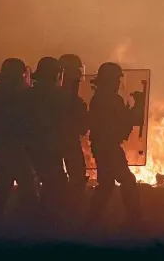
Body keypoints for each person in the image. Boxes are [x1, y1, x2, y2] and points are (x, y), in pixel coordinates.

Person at [86, 62, 141, 229]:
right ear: (109, 80)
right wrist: (137, 106)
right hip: (108, 147)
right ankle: (134, 221)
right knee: (128, 181)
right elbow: (123, 122)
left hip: (102, 146)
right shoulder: (109, 99)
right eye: (116, 79)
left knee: (107, 185)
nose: (118, 83)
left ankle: (91, 221)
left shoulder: (99, 98)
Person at [0, 58, 39, 229]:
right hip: (11, 144)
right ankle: (26, 220)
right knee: (26, 182)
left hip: (4, 143)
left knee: (5, 181)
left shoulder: (1, 91)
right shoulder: (9, 93)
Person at [24, 57, 69, 227]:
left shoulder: (29, 94)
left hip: (34, 147)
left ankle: (41, 220)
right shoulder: (55, 96)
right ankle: (47, 222)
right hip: (47, 147)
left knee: (47, 182)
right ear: (56, 75)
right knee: (55, 183)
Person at [59, 54, 89, 218]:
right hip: (66, 142)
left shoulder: (58, 96)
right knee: (74, 179)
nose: (79, 77)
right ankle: (71, 216)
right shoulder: (67, 99)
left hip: (61, 142)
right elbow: (81, 127)